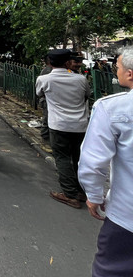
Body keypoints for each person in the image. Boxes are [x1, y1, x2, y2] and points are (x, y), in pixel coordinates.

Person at [79, 47, 133, 276]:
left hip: (126, 217)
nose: (115, 71)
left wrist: (94, 195)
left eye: (117, 67)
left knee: (110, 270)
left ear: (129, 73)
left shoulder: (113, 108)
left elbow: (94, 161)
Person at [36, 49, 90, 209]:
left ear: (49, 63)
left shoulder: (44, 79)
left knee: (62, 158)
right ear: (68, 62)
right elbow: (86, 96)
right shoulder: (81, 79)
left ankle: (70, 194)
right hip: (80, 125)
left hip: (58, 125)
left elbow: (39, 94)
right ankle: (81, 191)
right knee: (78, 157)